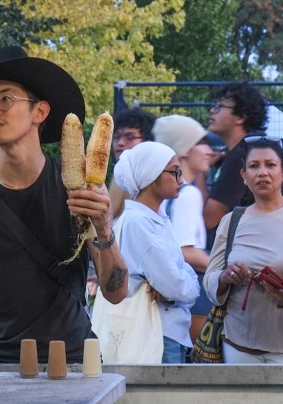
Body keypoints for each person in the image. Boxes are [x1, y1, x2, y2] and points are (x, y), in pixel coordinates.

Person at [0, 45, 128, 364]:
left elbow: (116, 294)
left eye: (5, 98)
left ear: (39, 112)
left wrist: (104, 227)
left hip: (73, 359)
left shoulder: (80, 187)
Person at [113, 142, 200, 363]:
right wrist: (189, 286)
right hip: (157, 334)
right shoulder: (139, 222)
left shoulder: (156, 218)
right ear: (151, 176)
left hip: (169, 331)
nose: (181, 179)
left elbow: (178, 279)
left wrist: (182, 284)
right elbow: (175, 285)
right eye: (174, 172)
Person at [203, 139, 283, 363]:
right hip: (238, 345)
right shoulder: (232, 221)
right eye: (254, 166)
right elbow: (210, 278)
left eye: (270, 165)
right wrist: (225, 277)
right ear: (244, 177)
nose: (262, 172)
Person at [153, 115, 215, 344]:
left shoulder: (167, 195)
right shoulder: (188, 195)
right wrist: (223, 269)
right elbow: (185, 250)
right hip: (192, 302)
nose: (209, 150)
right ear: (186, 149)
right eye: (202, 142)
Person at [203, 82, 268, 235]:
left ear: (240, 117)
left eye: (219, 107)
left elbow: (209, 218)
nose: (212, 111)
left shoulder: (242, 156)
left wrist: (199, 170)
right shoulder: (244, 150)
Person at [109, 108, 157, 221]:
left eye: (130, 137)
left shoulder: (156, 178)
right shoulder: (120, 173)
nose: (120, 143)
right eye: (116, 137)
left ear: (148, 141)